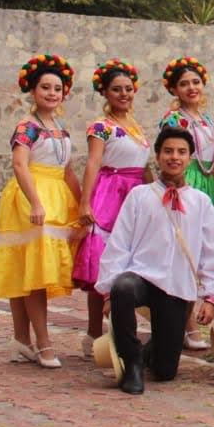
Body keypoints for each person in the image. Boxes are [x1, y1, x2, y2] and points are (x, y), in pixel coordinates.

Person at [96, 127, 214, 394]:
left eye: (181, 152)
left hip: (176, 285)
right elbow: (120, 243)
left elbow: (211, 251)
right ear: (157, 155)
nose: (174, 157)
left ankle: (153, 349)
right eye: (168, 151)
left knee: (165, 371)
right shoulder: (140, 196)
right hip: (142, 277)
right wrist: (108, 289)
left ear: (190, 158)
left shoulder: (200, 203)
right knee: (123, 288)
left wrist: (210, 296)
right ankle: (131, 363)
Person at [0, 54, 82, 369]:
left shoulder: (60, 128)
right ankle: (43, 342)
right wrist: (35, 201)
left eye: (57, 88)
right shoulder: (27, 126)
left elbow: (68, 169)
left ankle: (21, 339)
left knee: (33, 268)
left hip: (57, 195)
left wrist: (82, 203)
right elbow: (20, 164)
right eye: (45, 87)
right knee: (34, 271)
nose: (52, 93)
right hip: (32, 195)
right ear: (33, 92)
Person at [74, 60, 149, 356]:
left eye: (128, 89)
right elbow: (93, 163)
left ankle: (123, 328)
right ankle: (94, 332)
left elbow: (143, 166)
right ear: (104, 92)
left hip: (135, 192)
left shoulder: (136, 127)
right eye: (116, 90)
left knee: (131, 262)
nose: (123, 94)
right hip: (111, 192)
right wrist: (85, 201)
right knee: (102, 265)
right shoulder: (101, 127)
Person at [158, 57, 214, 237]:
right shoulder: (174, 119)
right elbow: (169, 155)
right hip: (186, 178)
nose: (192, 88)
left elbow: (212, 159)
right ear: (174, 89)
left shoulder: (206, 120)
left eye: (196, 82)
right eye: (184, 84)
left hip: (209, 181)